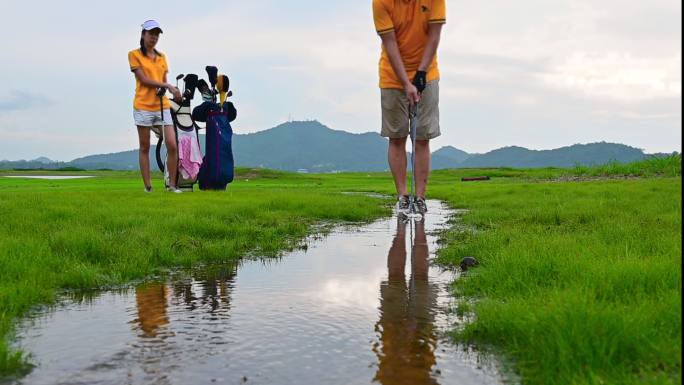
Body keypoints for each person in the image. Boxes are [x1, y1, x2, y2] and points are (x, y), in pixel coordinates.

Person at [372, 0, 446, 214]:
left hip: (427, 73)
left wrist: (421, 74)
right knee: (396, 136)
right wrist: (406, 83)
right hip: (392, 76)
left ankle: (420, 198)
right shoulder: (381, 2)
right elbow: (390, 43)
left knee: (422, 137)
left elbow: (434, 36)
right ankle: (403, 196)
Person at [128, 20, 183, 193]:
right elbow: (143, 79)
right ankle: (148, 187)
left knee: (172, 145)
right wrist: (167, 87)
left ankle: (172, 186)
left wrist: (172, 91)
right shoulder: (134, 54)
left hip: (162, 105)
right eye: (151, 33)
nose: (154, 37)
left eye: (157, 34)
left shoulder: (162, 57)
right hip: (143, 105)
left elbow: (164, 81)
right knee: (145, 146)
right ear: (143, 35)